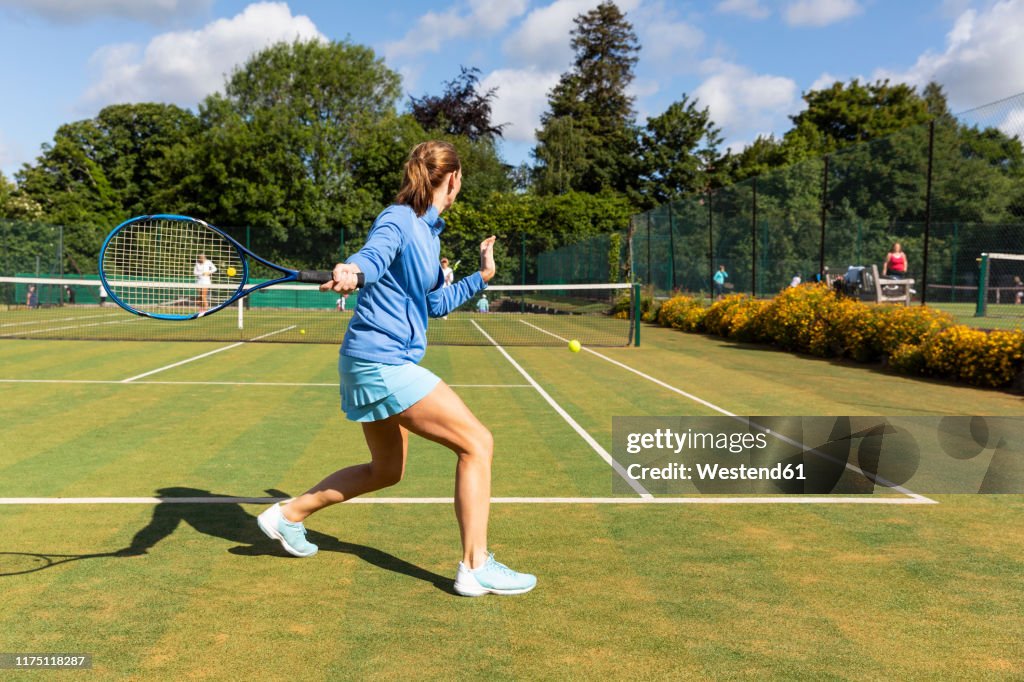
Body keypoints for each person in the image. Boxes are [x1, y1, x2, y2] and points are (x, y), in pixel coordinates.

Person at [257, 141, 536, 597]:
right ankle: (475, 565)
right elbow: (374, 255)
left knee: (387, 469)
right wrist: (354, 270)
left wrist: (481, 277)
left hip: (373, 359)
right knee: (477, 443)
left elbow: (432, 304)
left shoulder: (429, 233)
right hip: (381, 360)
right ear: (455, 179)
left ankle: (286, 516)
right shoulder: (399, 219)